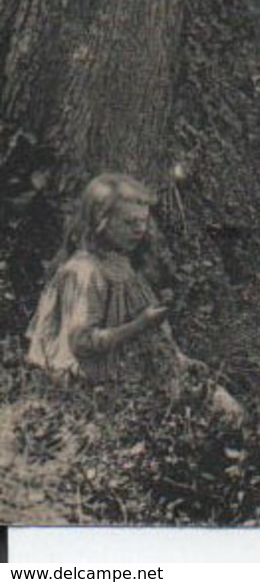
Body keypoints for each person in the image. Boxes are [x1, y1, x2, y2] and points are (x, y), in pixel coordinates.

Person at [26, 173, 243, 419]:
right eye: (130, 222)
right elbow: (82, 343)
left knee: (227, 412)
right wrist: (140, 324)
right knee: (216, 415)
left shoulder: (122, 262)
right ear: (101, 221)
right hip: (102, 387)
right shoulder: (87, 272)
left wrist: (180, 359)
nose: (140, 229)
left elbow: (152, 335)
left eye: (143, 221)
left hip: (137, 373)